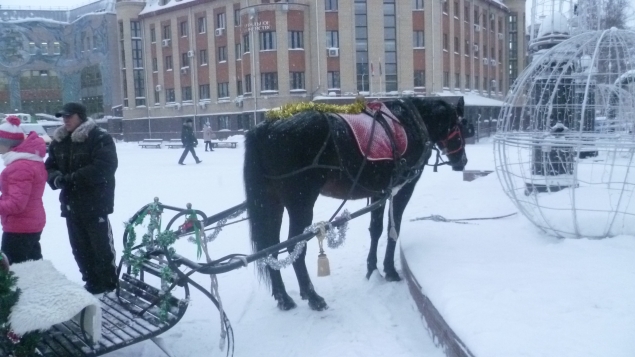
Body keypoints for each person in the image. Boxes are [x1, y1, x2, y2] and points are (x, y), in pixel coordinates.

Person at [45, 102, 119, 295]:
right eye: (63, 116)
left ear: (81, 116)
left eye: (69, 116)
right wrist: (55, 179)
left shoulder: (99, 137)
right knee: (79, 248)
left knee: (101, 248)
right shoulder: (60, 140)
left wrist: (70, 179)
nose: (65, 120)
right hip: (71, 205)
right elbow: (49, 166)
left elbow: (104, 167)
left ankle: (109, 285)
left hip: (96, 204)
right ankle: (91, 283)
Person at [0, 116, 47, 265]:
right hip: (30, 224)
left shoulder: (20, 166)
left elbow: (16, 204)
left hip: (19, 228)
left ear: (8, 144)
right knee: (32, 269)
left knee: (14, 275)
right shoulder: (29, 162)